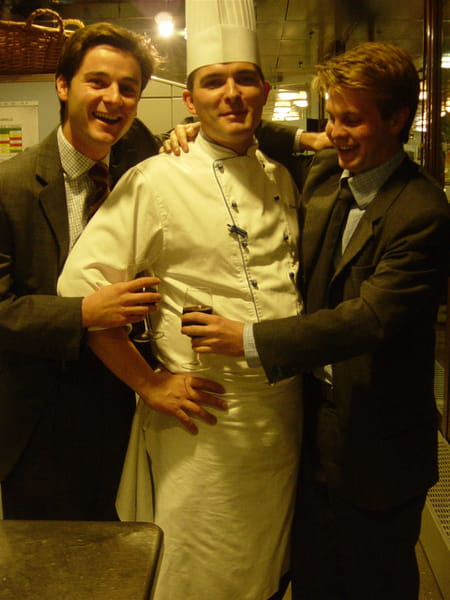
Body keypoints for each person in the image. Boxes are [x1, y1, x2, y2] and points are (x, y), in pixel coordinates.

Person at [176, 42, 450, 600]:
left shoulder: (422, 211)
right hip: (308, 428)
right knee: (315, 577)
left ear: (398, 119)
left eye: (352, 120)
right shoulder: (328, 175)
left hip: (377, 443)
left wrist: (246, 339)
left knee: (374, 582)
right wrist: (190, 129)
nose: (337, 133)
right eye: (331, 118)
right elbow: (261, 135)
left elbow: (367, 319)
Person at [57, 1, 310, 598]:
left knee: (265, 573)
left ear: (264, 91)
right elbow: (81, 294)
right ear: (190, 101)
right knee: (192, 573)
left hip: (282, 420)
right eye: (214, 82)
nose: (232, 94)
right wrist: (149, 383)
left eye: (244, 79)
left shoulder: (282, 178)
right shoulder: (155, 179)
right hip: (200, 423)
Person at [0, 21, 177, 521]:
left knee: (130, 549)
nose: (113, 99)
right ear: (63, 85)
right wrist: (82, 312)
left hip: (128, 406)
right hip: (42, 420)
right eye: (97, 82)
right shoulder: (10, 187)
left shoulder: (143, 175)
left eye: (128, 88)